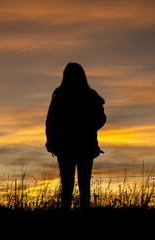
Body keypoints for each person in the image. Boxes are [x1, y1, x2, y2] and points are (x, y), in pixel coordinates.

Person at [45, 62, 106, 212]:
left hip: (66, 146)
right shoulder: (89, 96)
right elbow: (101, 118)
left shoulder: (60, 95)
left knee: (68, 186)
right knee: (83, 185)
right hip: (83, 146)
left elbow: (50, 122)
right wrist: (89, 127)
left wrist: (52, 141)